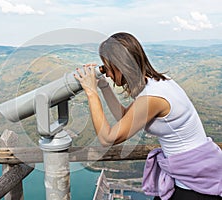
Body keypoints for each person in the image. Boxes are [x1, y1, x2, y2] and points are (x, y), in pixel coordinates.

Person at [74, 32, 222, 200]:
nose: (106, 72)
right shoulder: (158, 83)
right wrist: (103, 87)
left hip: (194, 183)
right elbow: (124, 116)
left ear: (120, 65)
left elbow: (107, 138)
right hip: (192, 172)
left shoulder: (152, 98)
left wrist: (91, 92)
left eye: (107, 67)